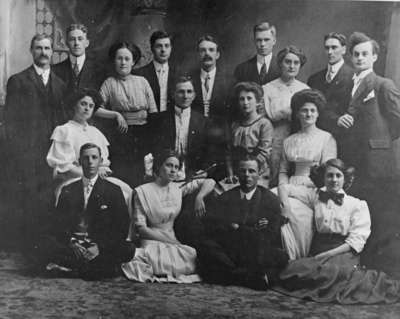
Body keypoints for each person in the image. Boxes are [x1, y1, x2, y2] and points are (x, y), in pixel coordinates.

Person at [277, 159, 400, 304]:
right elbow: (284, 188)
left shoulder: (357, 205)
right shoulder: (315, 196)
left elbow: (355, 241)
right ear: (323, 177)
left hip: (343, 252)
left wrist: (328, 254)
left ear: (345, 178)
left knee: (332, 273)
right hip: (318, 248)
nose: (333, 180)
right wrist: (286, 208)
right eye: (329, 175)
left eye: (338, 175)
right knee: (291, 271)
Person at [338, 32, 400, 268]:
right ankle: (357, 262)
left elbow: (398, 119)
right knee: (357, 210)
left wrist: (380, 140)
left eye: (365, 54)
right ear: (351, 58)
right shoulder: (348, 85)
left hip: (377, 162)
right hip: (354, 159)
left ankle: (377, 264)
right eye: (356, 54)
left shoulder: (383, 84)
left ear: (374, 56)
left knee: (378, 211)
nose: (360, 58)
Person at [36, 143, 134, 280]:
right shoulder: (68, 189)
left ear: (101, 161)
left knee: (128, 249)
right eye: (86, 158)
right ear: (80, 161)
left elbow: (121, 227)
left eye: (94, 157)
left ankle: (69, 270)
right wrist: (72, 242)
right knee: (42, 242)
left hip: (98, 246)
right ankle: (95, 270)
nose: (90, 162)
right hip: (74, 247)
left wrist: (99, 247)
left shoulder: (113, 190)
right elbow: (58, 223)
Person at [4, 34, 66, 239]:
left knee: (49, 194)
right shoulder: (18, 80)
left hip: (52, 151)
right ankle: (26, 242)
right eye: (38, 48)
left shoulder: (60, 84)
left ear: (52, 52)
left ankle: (44, 241)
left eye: (47, 48)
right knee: (27, 195)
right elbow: (11, 121)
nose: (43, 53)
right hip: (27, 151)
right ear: (31, 51)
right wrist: (17, 150)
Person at [121, 150, 216, 283]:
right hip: (151, 240)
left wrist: (200, 197)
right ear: (159, 166)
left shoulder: (178, 188)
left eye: (176, 167)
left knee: (191, 254)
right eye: (169, 165)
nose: (173, 170)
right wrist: (172, 242)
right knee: (161, 260)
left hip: (172, 239)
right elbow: (141, 229)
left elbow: (210, 181)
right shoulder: (142, 191)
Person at [196, 153, 288, 290]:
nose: (247, 175)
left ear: (259, 173)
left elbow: (270, 235)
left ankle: (232, 276)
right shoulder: (225, 198)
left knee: (280, 256)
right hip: (231, 251)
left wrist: (237, 228)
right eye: (243, 171)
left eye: (251, 171)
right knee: (205, 247)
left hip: (255, 251)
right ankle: (249, 277)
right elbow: (215, 229)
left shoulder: (270, 200)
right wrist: (251, 229)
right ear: (237, 173)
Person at [46, 88, 132, 217]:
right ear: (74, 105)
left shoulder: (95, 132)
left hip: (98, 180)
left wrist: (100, 171)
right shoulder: (64, 130)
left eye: (91, 106)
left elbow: (104, 164)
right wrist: (93, 173)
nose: (87, 108)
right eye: (83, 104)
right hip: (74, 181)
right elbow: (65, 167)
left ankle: (122, 235)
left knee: (127, 192)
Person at [278, 89, 337, 260]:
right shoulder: (289, 141)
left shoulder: (327, 139)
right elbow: (283, 171)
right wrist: (283, 187)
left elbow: (328, 173)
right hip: (289, 186)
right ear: (297, 114)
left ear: (318, 114)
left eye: (312, 110)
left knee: (296, 214)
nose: (308, 114)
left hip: (314, 188)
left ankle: (295, 259)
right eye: (304, 110)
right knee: (273, 204)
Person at [95, 41, 158, 187]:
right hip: (121, 135)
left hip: (144, 134)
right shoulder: (109, 83)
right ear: (114, 61)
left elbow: (154, 112)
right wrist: (116, 115)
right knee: (122, 175)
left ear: (133, 61)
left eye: (127, 59)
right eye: (119, 58)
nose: (123, 62)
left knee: (143, 176)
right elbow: (96, 109)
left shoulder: (142, 81)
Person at [263, 46, 309, 187]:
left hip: (300, 140)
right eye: (288, 62)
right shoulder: (267, 88)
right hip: (276, 142)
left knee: (297, 179)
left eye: (296, 63)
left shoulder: (305, 89)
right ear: (280, 63)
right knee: (275, 179)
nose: (292, 66)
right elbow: (266, 117)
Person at [155, 76, 210, 180]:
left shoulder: (203, 122)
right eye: (181, 92)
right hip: (165, 176)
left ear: (194, 95)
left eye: (189, 92)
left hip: (193, 175)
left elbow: (208, 152)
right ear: (173, 94)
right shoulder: (160, 120)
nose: (185, 96)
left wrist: (205, 171)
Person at [307, 32, 354, 146]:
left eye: (334, 48)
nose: (330, 52)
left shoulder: (354, 76)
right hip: (317, 136)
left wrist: (338, 120)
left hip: (343, 137)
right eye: (327, 48)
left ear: (343, 49)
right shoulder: (314, 79)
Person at [227, 82, 273, 187]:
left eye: (249, 98)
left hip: (257, 173)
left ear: (257, 102)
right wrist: (230, 173)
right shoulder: (235, 125)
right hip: (236, 173)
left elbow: (264, 153)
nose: (245, 102)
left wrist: (247, 172)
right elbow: (229, 152)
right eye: (241, 99)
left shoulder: (264, 124)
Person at [134, 31, 175, 116]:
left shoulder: (179, 73)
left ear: (171, 48)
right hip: (147, 122)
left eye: (166, 46)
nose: (163, 50)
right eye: (159, 46)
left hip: (173, 122)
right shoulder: (139, 74)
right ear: (152, 48)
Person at [53, 24, 104, 91]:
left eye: (80, 39)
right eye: (72, 39)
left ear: (87, 43)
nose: (76, 43)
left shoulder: (99, 70)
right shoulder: (55, 71)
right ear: (66, 43)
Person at [190, 35, 230, 120]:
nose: (207, 53)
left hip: (219, 130)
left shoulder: (229, 82)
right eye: (203, 50)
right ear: (198, 55)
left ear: (217, 55)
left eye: (211, 50)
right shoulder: (189, 80)